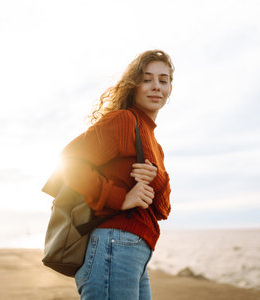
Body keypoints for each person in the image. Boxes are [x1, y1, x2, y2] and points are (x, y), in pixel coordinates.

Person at [59, 49, 174, 299]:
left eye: (163, 80)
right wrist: (120, 197)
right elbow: (69, 161)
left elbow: (162, 210)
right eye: (147, 79)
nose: (156, 86)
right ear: (134, 85)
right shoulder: (123, 121)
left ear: (170, 88)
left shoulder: (154, 142)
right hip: (115, 245)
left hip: (136, 253)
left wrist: (156, 179)